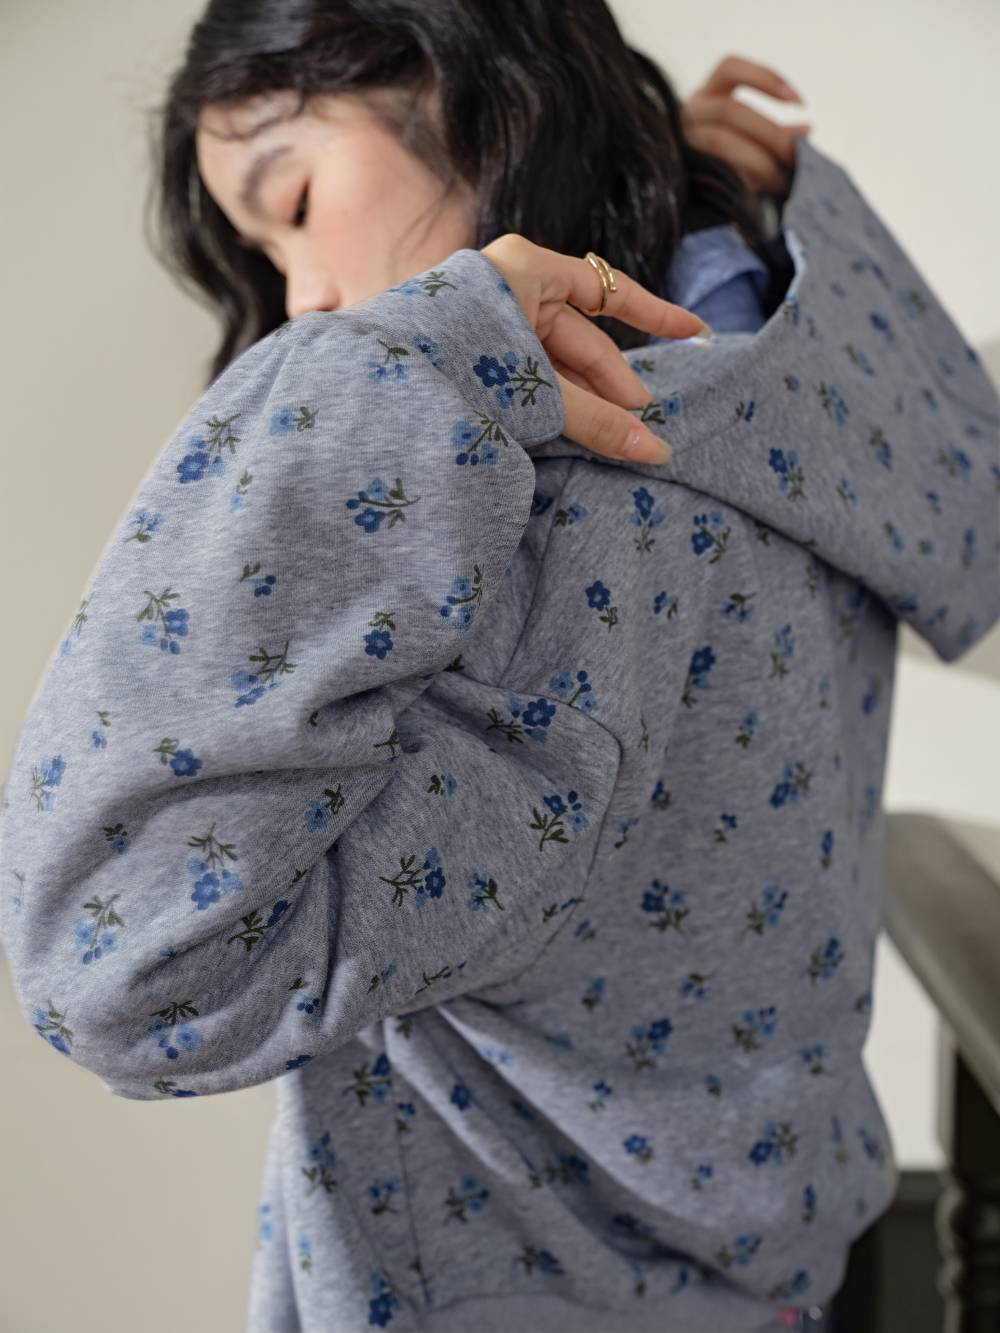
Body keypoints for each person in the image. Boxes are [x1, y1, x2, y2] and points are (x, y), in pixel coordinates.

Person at [1, 4, 997, 1332]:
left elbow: (115, 967)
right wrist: (654, 172)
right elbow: (966, 496)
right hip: (777, 1280)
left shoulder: (562, 535)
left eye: (291, 198)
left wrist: (369, 372)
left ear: (468, 76)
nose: (304, 294)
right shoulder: (789, 389)